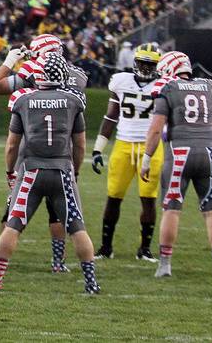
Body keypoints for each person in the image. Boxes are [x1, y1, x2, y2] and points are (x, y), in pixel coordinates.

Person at [0, 54, 99, 294]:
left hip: (30, 171)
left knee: (14, 225)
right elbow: (79, 145)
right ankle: (91, 282)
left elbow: (12, 145)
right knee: (77, 227)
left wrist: (10, 171)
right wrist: (75, 170)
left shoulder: (23, 100)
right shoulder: (73, 100)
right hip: (61, 170)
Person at [140, 50, 212, 279]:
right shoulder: (210, 87)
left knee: (171, 209)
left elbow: (156, 128)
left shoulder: (167, 89)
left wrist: (147, 158)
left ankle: (165, 265)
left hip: (180, 152)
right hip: (209, 151)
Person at [91, 43, 163, 260]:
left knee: (148, 199)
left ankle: (145, 249)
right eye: (142, 62)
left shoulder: (164, 85)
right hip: (123, 145)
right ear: (135, 61)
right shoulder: (121, 81)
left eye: (150, 64)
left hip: (151, 147)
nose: (146, 68)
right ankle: (106, 247)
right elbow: (111, 116)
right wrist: (98, 149)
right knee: (113, 197)